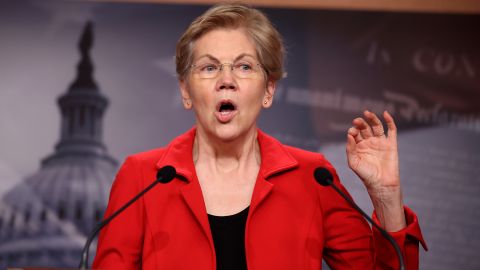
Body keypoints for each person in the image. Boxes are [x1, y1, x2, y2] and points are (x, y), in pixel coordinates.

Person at [93, 3, 427, 270]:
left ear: (268, 90)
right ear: (185, 91)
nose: (226, 80)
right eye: (209, 68)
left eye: (244, 67)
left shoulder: (313, 176)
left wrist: (386, 197)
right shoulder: (143, 177)